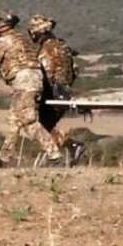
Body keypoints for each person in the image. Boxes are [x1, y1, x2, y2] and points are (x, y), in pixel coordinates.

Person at [0, 11, 63, 166]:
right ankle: (3, 157)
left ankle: (54, 154)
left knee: (28, 121)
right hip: (35, 80)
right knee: (14, 120)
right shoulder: (23, 40)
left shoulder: (4, 42)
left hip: (23, 81)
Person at [28, 15, 84, 164]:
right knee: (45, 126)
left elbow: (43, 73)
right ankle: (68, 148)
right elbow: (75, 71)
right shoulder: (63, 47)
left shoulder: (48, 49)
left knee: (37, 126)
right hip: (63, 93)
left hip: (52, 94)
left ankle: (63, 151)